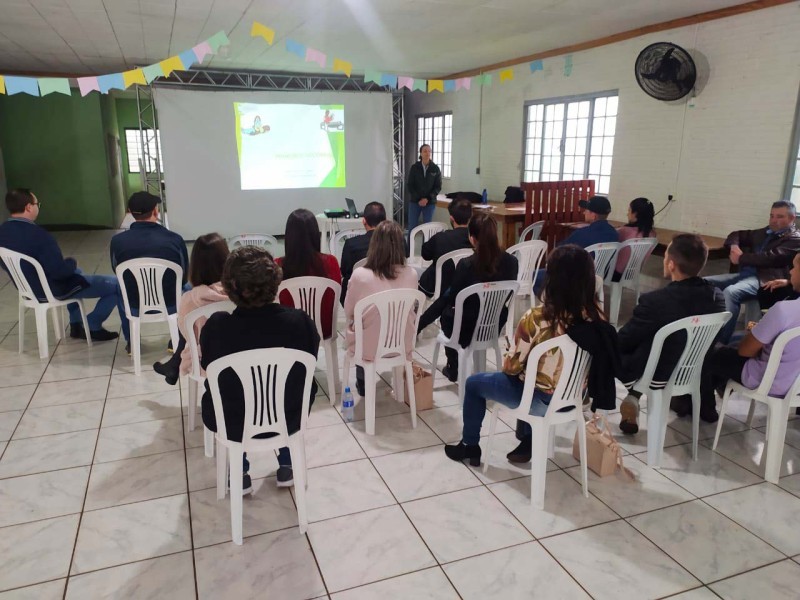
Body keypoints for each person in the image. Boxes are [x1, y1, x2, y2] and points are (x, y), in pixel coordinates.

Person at [443, 245, 617, 466]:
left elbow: (510, 368)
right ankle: (528, 439)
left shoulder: (537, 318)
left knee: (475, 384)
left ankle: (470, 446)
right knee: (533, 377)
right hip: (573, 398)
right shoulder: (597, 318)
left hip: (539, 401)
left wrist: (512, 350)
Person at [200, 246, 320, 492]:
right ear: (275, 283)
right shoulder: (300, 322)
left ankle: (239, 470)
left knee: (226, 394)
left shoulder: (217, 327)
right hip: (290, 417)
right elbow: (309, 362)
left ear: (229, 287)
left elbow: (207, 368)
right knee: (290, 388)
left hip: (232, 422)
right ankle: (287, 461)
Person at [616, 234, 726, 433]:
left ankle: (599, 394)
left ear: (671, 264)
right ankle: (633, 397)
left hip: (659, 374)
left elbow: (624, 341)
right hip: (694, 371)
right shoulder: (717, 297)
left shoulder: (655, 301)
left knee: (612, 343)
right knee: (659, 336)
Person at [0, 188, 120, 341]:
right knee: (118, 285)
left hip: (28, 288)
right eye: (37, 203)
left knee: (77, 272)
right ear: (29, 207)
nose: (38, 207)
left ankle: (76, 325)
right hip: (52, 289)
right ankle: (92, 324)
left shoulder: (3, 232)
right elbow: (60, 272)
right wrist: (70, 262)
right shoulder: (39, 235)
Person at [695, 251, 800, 422]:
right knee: (727, 350)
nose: (790, 272)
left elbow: (745, 351)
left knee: (710, 350)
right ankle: (703, 400)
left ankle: (704, 407)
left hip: (767, 379)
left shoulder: (784, 309)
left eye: (795, 268)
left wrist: (756, 335)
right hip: (795, 382)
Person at [417, 212, 518, 382]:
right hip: (493, 326)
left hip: (465, 330)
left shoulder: (466, 265)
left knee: (448, 312)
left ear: (472, 238)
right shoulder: (512, 262)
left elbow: (451, 298)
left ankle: (453, 366)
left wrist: (420, 322)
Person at [705, 200, 800, 344]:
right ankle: (699, 328)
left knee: (731, 292)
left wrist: (741, 257)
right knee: (704, 282)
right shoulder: (765, 231)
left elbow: (771, 258)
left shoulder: (795, 238)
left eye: (779, 217)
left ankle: (721, 343)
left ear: (792, 218)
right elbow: (736, 234)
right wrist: (734, 247)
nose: (774, 220)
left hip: (764, 279)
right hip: (745, 275)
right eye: (771, 216)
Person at [344, 221, 419, 397]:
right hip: (402, 343)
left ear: (374, 244)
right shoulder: (412, 274)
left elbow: (349, 311)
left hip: (368, 348)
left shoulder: (360, 275)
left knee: (361, 327)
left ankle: (362, 381)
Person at [110, 192, 189, 348]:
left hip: (134, 304)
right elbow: (184, 274)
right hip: (171, 303)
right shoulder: (174, 239)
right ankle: (179, 338)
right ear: (155, 211)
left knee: (120, 287)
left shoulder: (117, 241)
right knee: (190, 288)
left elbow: (116, 270)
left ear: (130, 212)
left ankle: (132, 343)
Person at [152, 233, 229, 385]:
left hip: (204, 363)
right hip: (240, 358)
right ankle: (173, 365)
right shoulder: (243, 292)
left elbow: (186, 332)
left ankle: (174, 365)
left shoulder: (189, 298)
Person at [532, 195, 619, 298]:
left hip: (573, 277)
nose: (583, 212)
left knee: (533, 276)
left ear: (593, 215)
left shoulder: (582, 234)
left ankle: (555, 306)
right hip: (597, 277)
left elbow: (558, 251)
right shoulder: (614, 234)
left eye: (586, 210)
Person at [276, 208, 342, 339]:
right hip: (324, 329)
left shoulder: (277, 265)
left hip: (289, 330)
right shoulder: (331, 262)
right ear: (315, 234)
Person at [418, 198, 473, 297]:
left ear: (451, 218)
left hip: (438, 287)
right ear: (469, 218)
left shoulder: (440, 238)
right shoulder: (476, 240)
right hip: (466, 288)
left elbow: (425, 254)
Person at [340, 201, 386, 304]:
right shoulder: (398, 241)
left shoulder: (351, 244)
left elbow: (345, 270)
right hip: (390, 294)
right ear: (385, 221)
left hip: (359, 299)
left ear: (364, 221)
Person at [613, 197, 656, 281]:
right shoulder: (652, 234)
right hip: (632, 273)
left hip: (616, 273)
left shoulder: (624, 231)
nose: (627, 214)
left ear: (635, 214)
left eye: (629, 210)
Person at [406, 144, 442, 231]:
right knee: (412, 227)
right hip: (415, 202)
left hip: (429, 203)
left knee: (427, 229)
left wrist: (427, 199)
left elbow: (438, 187)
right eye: (425, 151)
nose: (427, 153)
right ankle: (409, 245)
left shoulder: (435, 168)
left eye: (429, 151)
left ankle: (426, 245)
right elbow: (410, 185)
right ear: (421, 153)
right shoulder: (415, 167)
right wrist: (419, 199)